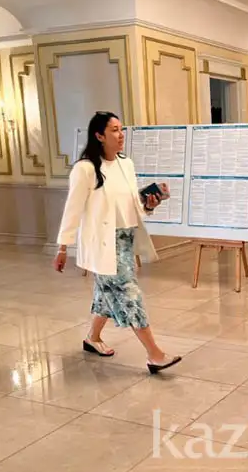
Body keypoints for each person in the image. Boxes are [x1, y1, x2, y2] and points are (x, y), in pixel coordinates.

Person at [53, 111, 181, 374]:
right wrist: (63, 246)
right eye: (114, 130)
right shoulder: (85, 169)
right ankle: (155, 355)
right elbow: (72, 210)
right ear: (99, 136)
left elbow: (132, 204)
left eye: (121, 129)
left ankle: (92, 338)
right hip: (103, 244)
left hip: (125, 239)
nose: (120, 135)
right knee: (128, 293)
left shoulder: (126, 164)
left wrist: (149, 205)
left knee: (107, 293)